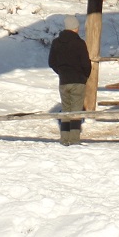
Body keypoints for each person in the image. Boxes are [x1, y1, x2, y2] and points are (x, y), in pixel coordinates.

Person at [48, 15, 91, 146]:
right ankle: (74, 139)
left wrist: (61, 72)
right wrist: (84, 77)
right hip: (78, 81)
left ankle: (64, 138)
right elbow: (86, 64)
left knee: (66, 109)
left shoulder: (56, 43)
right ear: (75, 28)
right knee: (76, 111)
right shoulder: (79, 43)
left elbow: (52, 62)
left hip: (64, 81)